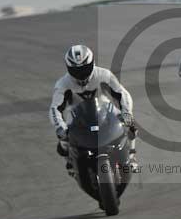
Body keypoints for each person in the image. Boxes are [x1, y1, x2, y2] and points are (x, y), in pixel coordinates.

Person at [49, 44, 137, 175]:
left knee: (131, 125)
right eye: (76, 70)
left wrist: (126, 112)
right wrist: (59, 126)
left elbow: (122, 93)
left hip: (105, 110)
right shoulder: (62, 84)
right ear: (68, 68)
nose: (80, 74)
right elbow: (55, 108)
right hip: (77, 115)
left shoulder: (104, 75)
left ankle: (131, 155)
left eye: (84, 69)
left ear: (92, 63)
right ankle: (69, 161)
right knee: (63, 138)